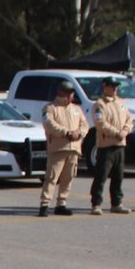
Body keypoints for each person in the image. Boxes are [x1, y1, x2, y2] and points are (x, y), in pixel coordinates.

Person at [40, 81, 87, 216]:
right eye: (69, 92)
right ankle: (45, 204)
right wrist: (66, 132)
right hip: (58, 148)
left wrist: (79, 133)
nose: (71, 95)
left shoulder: (76, 109)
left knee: (68, 177)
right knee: (52, 177)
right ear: (62, 92)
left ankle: (62, 203)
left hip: (74, 148)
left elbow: (85, 125)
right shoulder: (50, 108)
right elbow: (49, 125)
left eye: (71, 92)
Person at [90, 77, 132, 215]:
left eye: (116, 86)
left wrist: (125, 131)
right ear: (105, 87)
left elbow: (129, 120)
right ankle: (96, 203)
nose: (115, 89)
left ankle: (116, 203)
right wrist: (116, 133)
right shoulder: (99, 104)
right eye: (112, 86)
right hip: (106, 145)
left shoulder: (121, 103)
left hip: (120, 144)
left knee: (118, 176)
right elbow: (100, 123)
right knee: (101, 176)